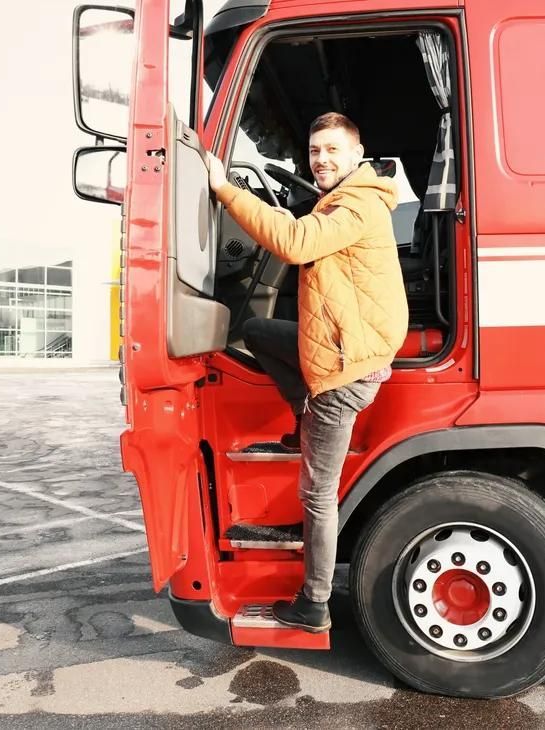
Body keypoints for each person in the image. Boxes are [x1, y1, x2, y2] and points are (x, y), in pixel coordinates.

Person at [206, 112, 409, 632]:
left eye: (332, 151)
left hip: (344, 371)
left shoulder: (357, 202)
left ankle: (313, 604)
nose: (321, 159)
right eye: (315, 150)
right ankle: (302, 410)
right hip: (333, 348)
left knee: (317, 496)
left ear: (356, 156)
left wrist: (225, 189)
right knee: (257, 332)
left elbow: (296, 242)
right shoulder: (342, 198)